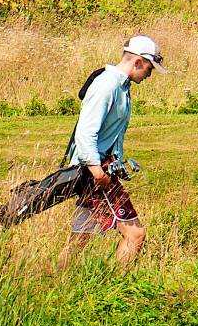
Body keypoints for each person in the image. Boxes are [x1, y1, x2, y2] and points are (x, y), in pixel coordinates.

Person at [58, 35, 166, 270]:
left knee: (80, 239)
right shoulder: (106, 85)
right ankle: (115, 288)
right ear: (137, 62)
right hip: (95, 173)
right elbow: (85, 133)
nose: (150, 74)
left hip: (99, 169)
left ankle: (55, 283)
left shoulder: (121, 86)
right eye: (149, 68)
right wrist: (98, 174)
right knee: (135, 234)